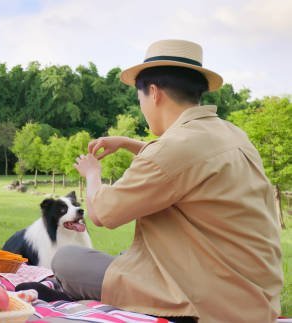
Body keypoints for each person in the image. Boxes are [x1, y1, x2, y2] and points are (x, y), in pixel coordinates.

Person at [52, 40, 283, 322]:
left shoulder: (173, 149)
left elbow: (101, 213)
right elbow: (184, 164)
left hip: (204, 299)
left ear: (153, 92)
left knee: (65, 260)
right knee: (132, 253)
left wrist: (92, 174)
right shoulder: (232, 134)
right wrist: (128, 143)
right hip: (254, 297)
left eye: (140, 100)